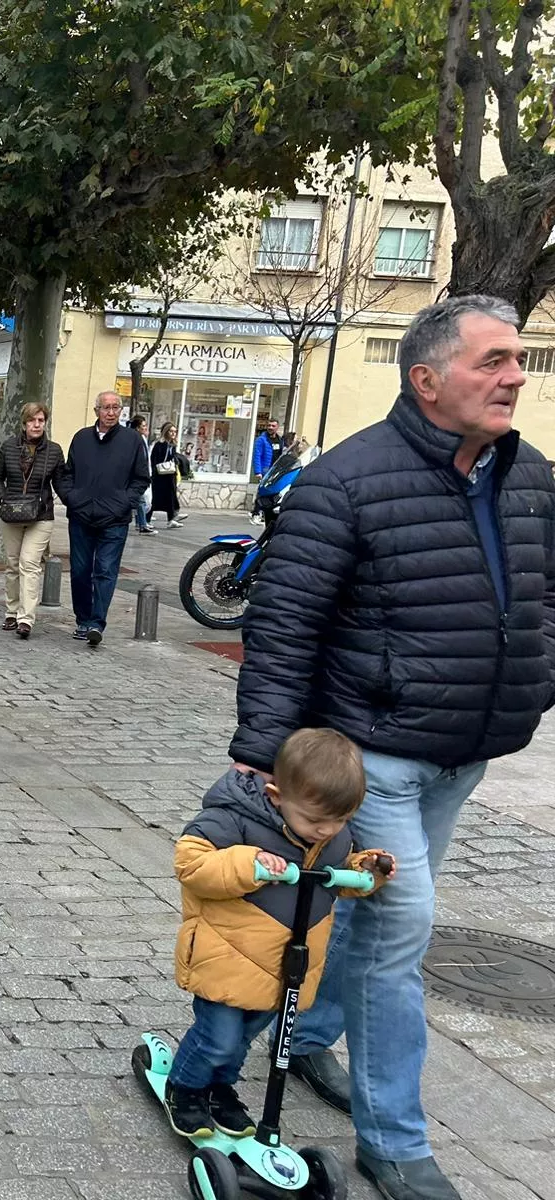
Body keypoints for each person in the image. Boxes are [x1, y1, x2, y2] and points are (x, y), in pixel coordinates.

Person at [232, 295, 555, 1200]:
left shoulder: (530, 477)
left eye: (518, 359)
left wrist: (537, 669)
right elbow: (285, 622)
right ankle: (396, 1140)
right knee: (399, 933)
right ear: (427, 379)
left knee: (374, 922)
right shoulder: (345, 480)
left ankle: (306, 1041)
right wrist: (262, 749)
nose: (515, 376)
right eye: (492, 360)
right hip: (374, 752)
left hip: (468, 748)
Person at [165, 728, 393, 1139]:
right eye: (315, 820)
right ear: (276, 796)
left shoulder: (332, 837)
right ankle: (184, 1088)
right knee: (218, 1037)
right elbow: (191, 864)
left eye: (340, 820)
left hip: (286, 967)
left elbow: (339, 879)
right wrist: (248, 863)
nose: (326, 831)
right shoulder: (234, 817)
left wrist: (367, 871)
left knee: (241, 1040)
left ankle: (220, 1088)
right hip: (227, 956)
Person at [58, 391, 151, 646]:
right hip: (81, 516)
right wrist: (71, 498)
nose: (111, 413)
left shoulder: (132, 441)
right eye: (106, 408)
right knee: (80, 571)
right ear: (96, 410)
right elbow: (68, 473)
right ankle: (83, 619)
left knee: (106, 571)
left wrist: (124, 502)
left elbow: (141, 478)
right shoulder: (81, 438)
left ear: (121, 411)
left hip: (115, 519)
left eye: (115, 408)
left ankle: (96, 623)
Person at [0, 402, 65, 638]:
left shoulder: (53, 451)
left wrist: (76, 502)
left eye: (41, 420)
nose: (36, 424)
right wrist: (3, 498)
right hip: (12, 513)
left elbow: (62, 482)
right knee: (12, 564)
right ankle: (11, 613)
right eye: (32, 420)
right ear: (24, 423)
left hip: (40, 515)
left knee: (29, 564)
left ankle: (26, 619)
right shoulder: (9, 447)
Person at [150, 422, 187, 529]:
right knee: (155, 498)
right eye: (171, 431)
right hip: (160, 475)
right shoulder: (160, 444)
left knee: (171, 497)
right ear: (166, 432)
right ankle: (147, 519)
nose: (173, 433)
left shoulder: (172, 445)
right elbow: (154, 459)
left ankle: (171, 518)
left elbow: (173, 458)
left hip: (170, 475)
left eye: (175, 431)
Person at [249, 418, 285, 525]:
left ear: (277, 427)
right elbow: (257, 456)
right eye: (269, 425)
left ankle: (265, 513)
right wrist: (258, 472)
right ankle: (255, 513)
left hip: (276, 471)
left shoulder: (280, 440)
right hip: (266, 470)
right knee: (262, 492)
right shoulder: (261, 440)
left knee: (272, 492)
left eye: (273, 426)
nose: (270, 428)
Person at [129, 414, 157, 534]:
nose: (145, 428)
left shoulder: (142, 438)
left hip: (141, 472)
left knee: (140, 500)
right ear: (137, 428)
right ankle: (142, 524)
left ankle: (140, 523)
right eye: (143, 426)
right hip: (136, 474)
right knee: (141, 501)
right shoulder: (135, 439)